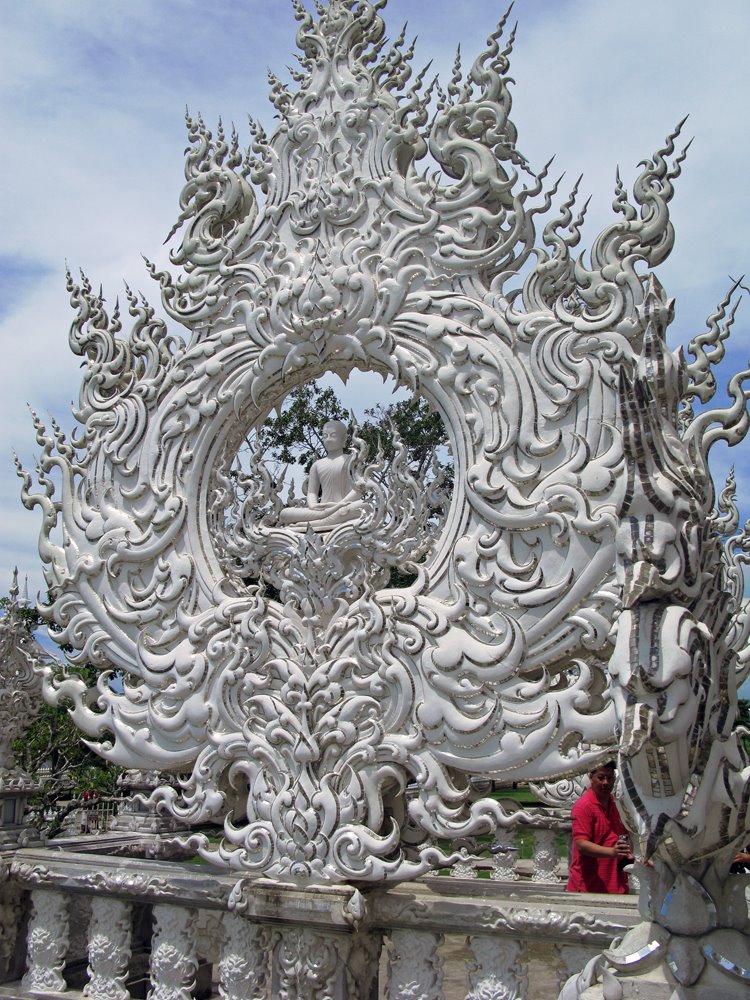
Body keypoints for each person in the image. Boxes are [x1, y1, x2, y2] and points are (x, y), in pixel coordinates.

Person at [278, 420, 363, 531]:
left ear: (344, 439)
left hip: (343, 506)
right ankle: (322, 519)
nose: (328, 439)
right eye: (325, 436)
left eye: (333, 435)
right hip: (321, 510)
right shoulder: (317, 465)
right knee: (284, 513)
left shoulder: (350, 460)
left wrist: (339, 505)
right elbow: (312, 492)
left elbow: (358, 490)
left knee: (362, 506)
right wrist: (313, 505)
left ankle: (312, 523)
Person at [566, 761, 632, 893]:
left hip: (616, 884)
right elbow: (581, 844)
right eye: (601, 778)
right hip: (588, 886)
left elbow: (622, 838)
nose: (606, 783)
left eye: (610, 778)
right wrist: (612, 852)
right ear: (591, 777)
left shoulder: (617, 805)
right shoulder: (583, 806)